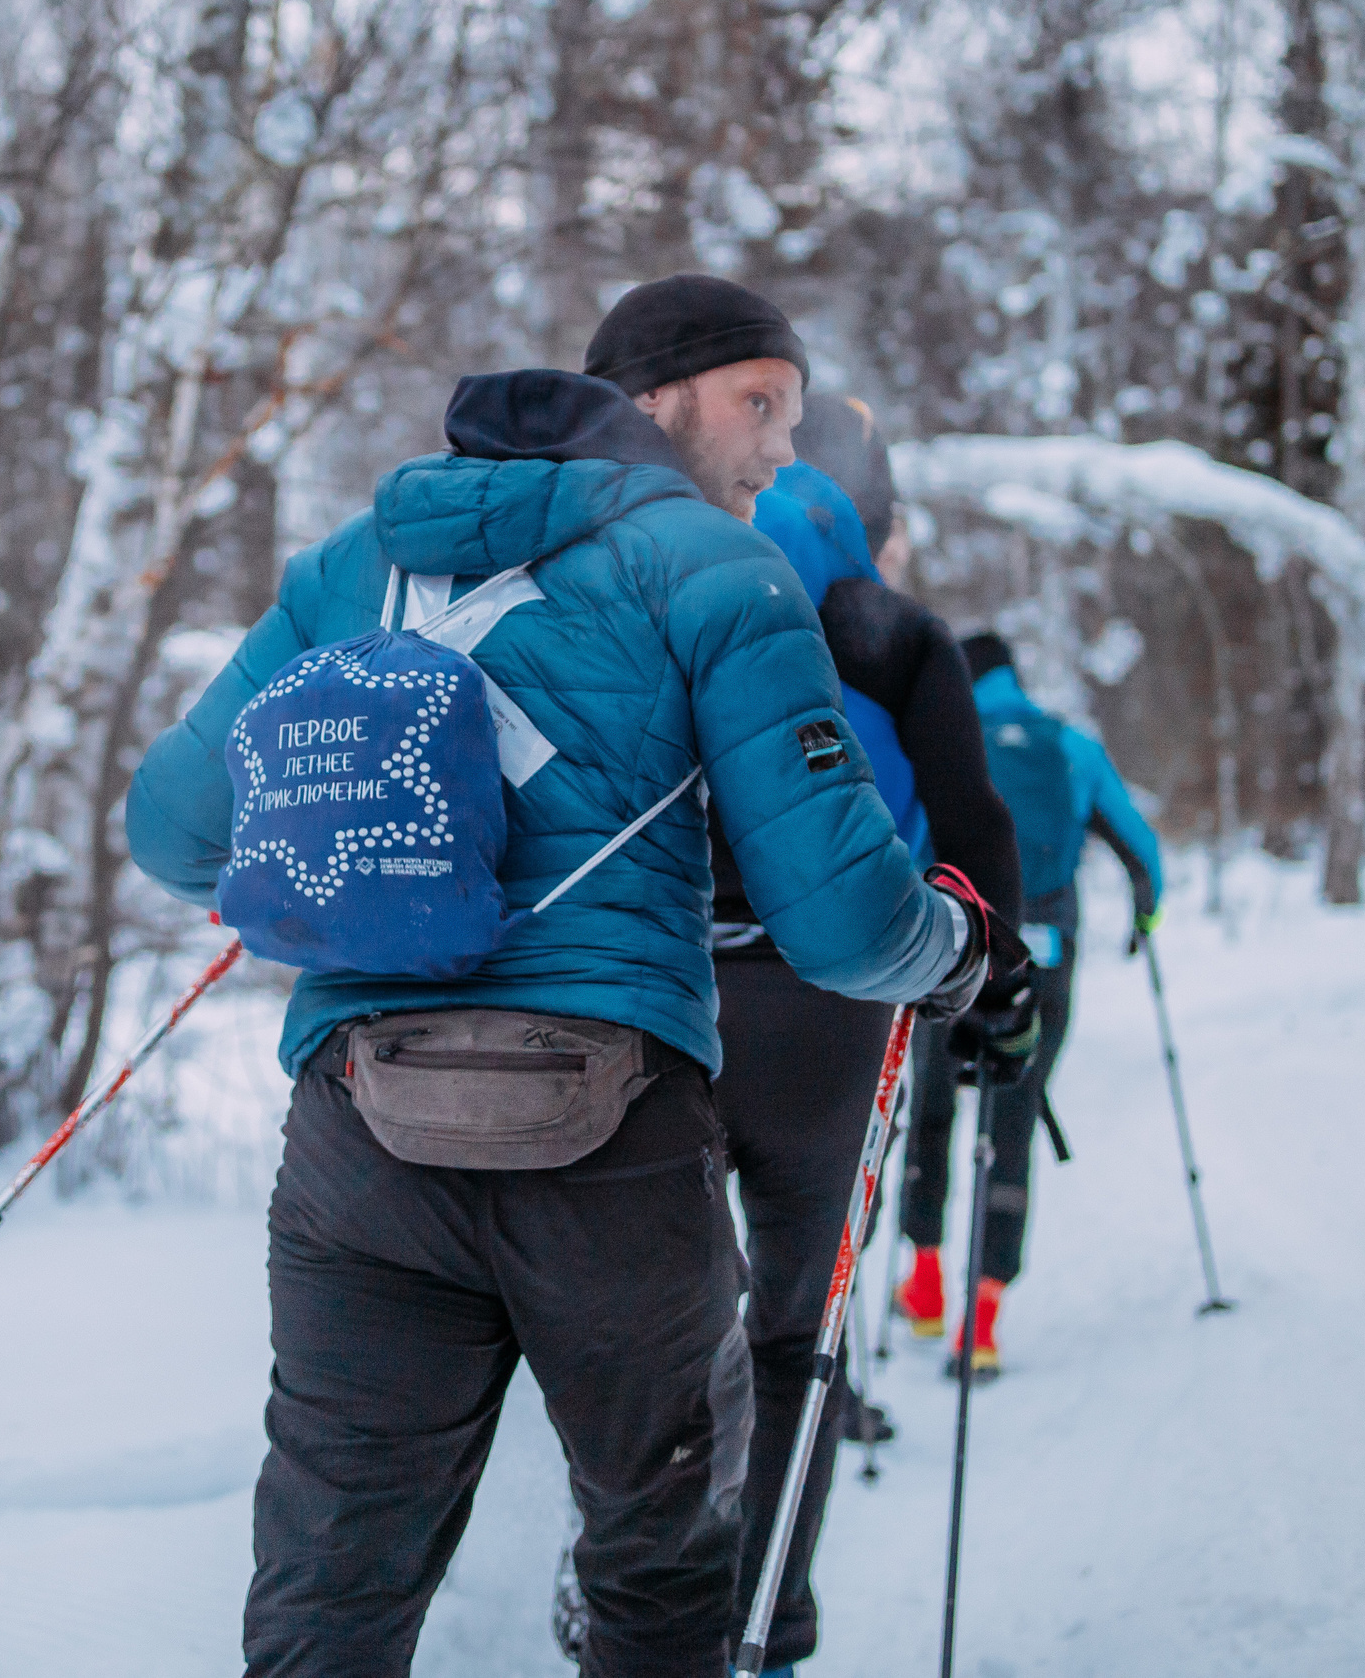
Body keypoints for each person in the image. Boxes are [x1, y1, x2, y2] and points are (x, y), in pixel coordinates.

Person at [124, 273, 994, 1678]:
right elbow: (838, 916)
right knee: (656, 1562)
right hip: (608, 1142)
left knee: (332, 1572)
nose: (785, 446)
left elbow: (170, 825)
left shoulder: (356, 565)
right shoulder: (716, 570)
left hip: (358, 1139)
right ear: (655, 403)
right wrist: (949, 948)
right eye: (758, 404)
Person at [709, 394, 1033, 1676]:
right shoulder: (883, 626)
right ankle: (763, 1635)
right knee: (798, 1334)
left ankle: (618, 1597)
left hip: (653, 992)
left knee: (658, 1320)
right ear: (876, 519)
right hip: (833, 1012)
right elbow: (974, 830)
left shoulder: (672, 581)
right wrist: (994, 994)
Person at [893, 634, 1162, 1378]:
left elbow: (898, 838)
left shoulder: (941, 741)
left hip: (952, 953)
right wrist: (1146, 920)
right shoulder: (1068, 745)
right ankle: (981, 1321)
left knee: (936, 1112)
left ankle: (923, 1285)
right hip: (1045, 954)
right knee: (1012, 1114)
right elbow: (1141, 850)